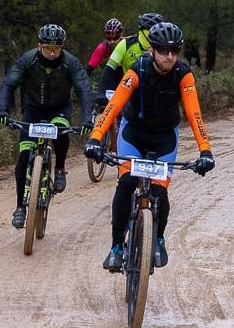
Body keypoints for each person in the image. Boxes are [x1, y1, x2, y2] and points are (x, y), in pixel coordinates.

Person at [85, 22, 215, 271]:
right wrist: (95, 138)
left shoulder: (183, 74)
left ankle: (158, 239)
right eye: (164, 50)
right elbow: (113, 108)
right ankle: (116, 247)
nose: (170, 56)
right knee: (126, 184)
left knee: (159, 191)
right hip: (133, 133)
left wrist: (205, 150)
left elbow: (194, 112)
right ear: (152, 50)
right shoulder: (137, 70)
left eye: (174, 51)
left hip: (165, 136)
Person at [0, 24, 95, 228]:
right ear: (39, 45)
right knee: (23, 157)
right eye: (47, 48)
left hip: (59, 109)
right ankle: (21, 207)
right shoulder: (27, 60)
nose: (51, 53)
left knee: (60, 131)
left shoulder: (71, 63)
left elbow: (84, 89)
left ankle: (59, 168)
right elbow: (9, 83)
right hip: (32, 111)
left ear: (62, 47)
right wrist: (2, 109)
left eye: (56, 49)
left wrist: (87, 119)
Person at [97, 12, 165, 97]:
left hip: (156, 91)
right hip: (130, 91)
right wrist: (101, 93)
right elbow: (109, 69)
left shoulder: (163, 47)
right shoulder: (125, 44)